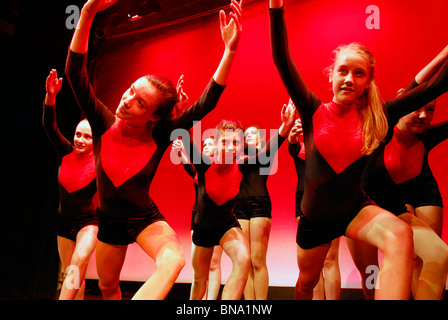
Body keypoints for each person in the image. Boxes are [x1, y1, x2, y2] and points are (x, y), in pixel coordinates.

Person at [269, 0, 448, 299]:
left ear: (368, 82)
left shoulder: (380, 116)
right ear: (331, 75)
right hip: (316, 219)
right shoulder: (312, 110)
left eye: (358, 74)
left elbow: (433, 89)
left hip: (355, 210)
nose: (349, 78)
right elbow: (282, 61)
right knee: (306, 283)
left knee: (400, 234)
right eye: (343, 71)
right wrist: (275, 8)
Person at [65, 0, 244, 300]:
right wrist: (87, 12)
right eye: (131, 90)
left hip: (143, 219)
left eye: (140, 103)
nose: (127, 100)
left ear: (154, 117)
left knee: (173, 259)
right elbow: (75, 73)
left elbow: (206, 104)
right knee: (108, 287)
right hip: (108, 220)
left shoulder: (162, 134)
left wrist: (229, 51)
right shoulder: (102, 121)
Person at [356, 46, 448, 300]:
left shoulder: (426, 136)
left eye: (430, 110)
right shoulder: (382, 124)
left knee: (433, 254)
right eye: (419, 107)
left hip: (395, 206)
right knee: (369, 271)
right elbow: (422, 88)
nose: (423, 115)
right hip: (360, 207)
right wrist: (443, 55)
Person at [185, 103, 294, 300]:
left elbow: (264, 157)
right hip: (203, 228)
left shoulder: (242, 165)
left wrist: (284, 129)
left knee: (244, 259)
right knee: (200, 280)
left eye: (236, 143)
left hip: (227, 226)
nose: (230, 147)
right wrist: (183, 115)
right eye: (225, 141)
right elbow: (188, 141)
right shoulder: (204, 164)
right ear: (216, 143)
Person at [42, 69, 98, 300]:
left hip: (89, 223)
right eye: (78, 134)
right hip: (63, 220)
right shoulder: (66, 152)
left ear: (96, 140)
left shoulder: (101, 162)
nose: (80, 140)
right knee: (72, 274)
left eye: (87, 136)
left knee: (78, 262)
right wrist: (50, 97)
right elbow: (50, 125)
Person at [234, 107, 291, 300]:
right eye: (246, 134)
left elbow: (274, 144)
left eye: (252, 133)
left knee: (258, 260)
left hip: (259, 204)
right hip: (239, 206)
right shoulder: (238, 155)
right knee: (245, 260)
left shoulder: (266, 152)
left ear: (260, 138)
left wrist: (284, 126)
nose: (248, 136)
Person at [288, 114, 341, 300]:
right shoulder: (299, 147)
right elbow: (292, 144)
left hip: (331, 201)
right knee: (312, 265)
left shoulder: (330, 145)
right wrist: (293, 134)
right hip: (304, 202)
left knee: (331, 259)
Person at [171, 136, 224, 300]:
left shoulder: (223, 168)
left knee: (214, 264)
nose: (207, 146)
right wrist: (180, 153)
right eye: (204, 144)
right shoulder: (200, 169)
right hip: (199, 217)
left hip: (219, 217)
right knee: (199, 264)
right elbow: (189, 167)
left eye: (210, 144)